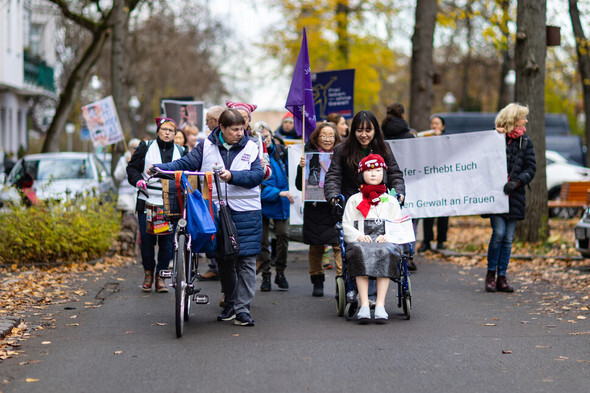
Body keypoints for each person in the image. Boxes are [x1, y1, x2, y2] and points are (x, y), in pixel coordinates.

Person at [153, 108, 264, 326]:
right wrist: (160, 169)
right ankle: (231, 303)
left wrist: (232, 176)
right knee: (224, 259)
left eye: (242, 129)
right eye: (234, 129)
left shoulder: (252, 146)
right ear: (221, 128)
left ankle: (243, 310)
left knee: (247, 261)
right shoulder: (206, 146)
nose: (240, 133)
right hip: (215, 210)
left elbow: (257, 175)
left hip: (247, 212)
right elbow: (185, 164)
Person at [324, 110, 414, 271]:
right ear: (353, 131)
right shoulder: (342, 149)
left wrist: (399, 193)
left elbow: (394, 174)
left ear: (375, 131)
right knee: (355, 247)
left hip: (379, 203)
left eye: (368, 130)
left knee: (380, 245)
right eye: (359, 130)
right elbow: (334, 176)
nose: (364, 135)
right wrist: (333, 196)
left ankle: (375, 283)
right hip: (354, 203)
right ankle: (353, 283)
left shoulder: (383, 148)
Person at [342, 154, 403, 322]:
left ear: (383, 173)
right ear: (362, 174)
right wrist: (359, 236)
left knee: (387, 252)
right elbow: (346, 224)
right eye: (369, 171)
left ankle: (381, 304)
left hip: (384, 242)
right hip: (361, 241)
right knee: (360, 253)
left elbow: (398, 224)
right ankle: (363, 304)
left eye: (377, 170)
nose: (374, 174)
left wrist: (388, 236)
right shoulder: (354, 200)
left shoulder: (391, 200)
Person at [126, 118, 184, 293]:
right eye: (164, 129)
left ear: (175, 134)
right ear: (158, 130)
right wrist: (138, 181)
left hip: (170, 201)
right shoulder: (145, 146)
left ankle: (161, 276)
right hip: (147, 198)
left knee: (167, 242)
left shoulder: (181, 150)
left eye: (171, 131)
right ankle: (148, 273)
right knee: (147, 239)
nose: (167, 133)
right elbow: (132, 169)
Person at [485, 103, 536, 293]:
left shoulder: (525, 142)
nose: (526, 120)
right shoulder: (495, 138)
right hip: (495, 196)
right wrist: (495, 135)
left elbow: (531, 168)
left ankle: (502, 277)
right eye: (523, 117)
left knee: (508, 238)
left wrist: (517, 182)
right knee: (498, 234)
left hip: (514, 195)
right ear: (513, 119)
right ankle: (491, 274)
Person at [295, 122, 343, 296]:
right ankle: (317, 280)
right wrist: (301, 169)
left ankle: (341, 281)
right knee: (316, 246)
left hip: (335, 206)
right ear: (317, 137)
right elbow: (300, 186)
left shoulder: (342, 154)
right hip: (315, 207)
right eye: (324, 135)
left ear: (336, 137)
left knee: (339, 244)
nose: (327, 139)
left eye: (331, 135)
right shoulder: (308, 156)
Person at [256, 122, 294, 291]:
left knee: (283, 236)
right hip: (262, 202)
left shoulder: (281, 151)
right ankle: (265, 275)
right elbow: (257, 184)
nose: (265, 140)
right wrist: (277, 192)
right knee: (262, 240)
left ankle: (280, 272)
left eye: (267, 136)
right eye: (261, 137)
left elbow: (291, 174)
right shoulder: (254, 154)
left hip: (282, 201)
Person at [199, 105, 226, 282]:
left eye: (208, 120)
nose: (206, 123)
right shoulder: (205, 144)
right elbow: (190, 161)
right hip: (209, 196)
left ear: (215, 121)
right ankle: (215, 266)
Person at [418, 115, 450, 252]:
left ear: (442, 127)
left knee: (443, 212)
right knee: (428, 211)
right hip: (429, 181)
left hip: (444, 181)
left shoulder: (449, 140)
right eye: (432, 124)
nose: (434, 126)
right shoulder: (424, 141)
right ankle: (427, 240)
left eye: (437, 124)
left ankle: (441, 241)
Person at [114, 138, 141, 213]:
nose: (136, 150)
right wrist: (126, 164)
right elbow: (117, 176)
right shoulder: (123, 160)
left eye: (138, 148)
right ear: (130, 148)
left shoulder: (142, 160)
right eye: (134, 148)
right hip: (125, 194)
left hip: (137, 194)